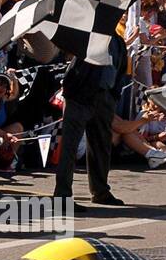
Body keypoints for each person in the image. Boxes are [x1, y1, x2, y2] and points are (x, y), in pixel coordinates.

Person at [54, 33, 129, 207]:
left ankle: (100, 191)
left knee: (101, 146)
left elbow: (121, 69)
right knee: (69, 148)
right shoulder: (88, 34)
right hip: (80, 97)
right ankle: (63, 196)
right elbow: (70, 58)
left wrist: (113, 96)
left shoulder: (118, 42)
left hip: (105, 97)